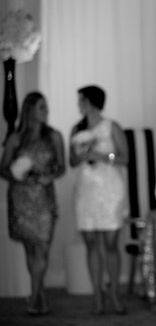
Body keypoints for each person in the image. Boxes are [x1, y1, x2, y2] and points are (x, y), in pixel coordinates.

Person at [0, 92, 66, 316]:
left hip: (44, 198)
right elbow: (3, 167)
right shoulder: (16, 139)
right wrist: (16, 176)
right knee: (30, 249)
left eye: (46, 107)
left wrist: (50, 176)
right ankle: (39, 296)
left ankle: (35, 296)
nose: (45, 111)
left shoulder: (54, 136)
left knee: (43, 248)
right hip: (21, 198)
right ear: (29, 110)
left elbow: (61, 167)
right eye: (40, 107)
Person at [69, 85, 128, 315]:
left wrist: (101, 155)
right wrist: (80, 154)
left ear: (91, 102)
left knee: (111, 243)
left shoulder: (112, 127)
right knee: (91, 242)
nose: (78, 105)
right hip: (86, 190)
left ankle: (113, 293)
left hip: (110, 189)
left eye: (81, 100)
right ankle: (97, 294)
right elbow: (72, 162)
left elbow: (125, 157)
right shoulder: (77, 128)